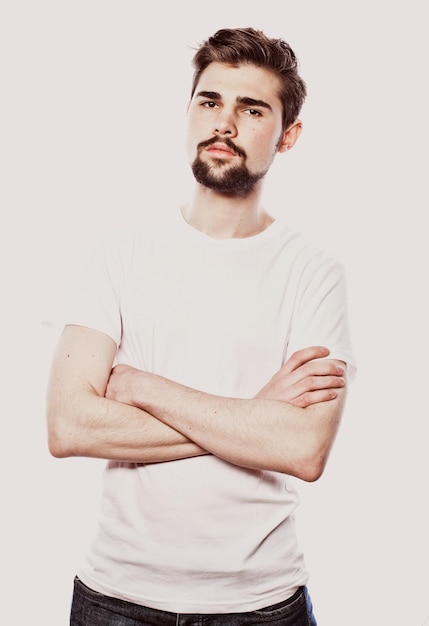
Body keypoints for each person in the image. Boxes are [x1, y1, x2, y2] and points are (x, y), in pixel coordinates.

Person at [47, 27, 356, 626]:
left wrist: (142, 387)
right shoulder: (119, 253)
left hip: (262, 605)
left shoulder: (314, 272)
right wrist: (254, 413)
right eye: (209, 101)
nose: (224, 122)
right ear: (188, 112)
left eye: (252, 108)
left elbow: (302, 448)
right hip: (116, 598)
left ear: (288, 135)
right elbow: (68, 426)